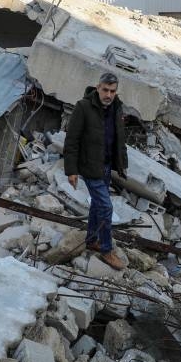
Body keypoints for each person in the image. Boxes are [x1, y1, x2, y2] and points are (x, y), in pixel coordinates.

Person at [64, 72, 128, 270]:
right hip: (90, 167)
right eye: (105, 90)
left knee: (97, 206)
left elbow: (119, 137)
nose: (108, 94)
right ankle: (107, 250)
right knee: (106, 208)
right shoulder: (83, 107)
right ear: (98, 88)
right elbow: (72, 140)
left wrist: (122, 163)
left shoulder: (117, 107)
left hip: (107, 166)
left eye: (112, 91)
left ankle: (92, 239)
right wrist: (71, 170)